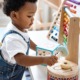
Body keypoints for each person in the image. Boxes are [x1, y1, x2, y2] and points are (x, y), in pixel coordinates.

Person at [0, 0, 58, 80]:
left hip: (16, 70)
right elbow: (21, 60)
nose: (33, 19)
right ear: (14, 15)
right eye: (29, 16)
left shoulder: (19, 28)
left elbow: (27, 40)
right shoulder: (12, 38)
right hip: (8, 75)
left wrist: (38, 48)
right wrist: (44, 60)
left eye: (33, 16)